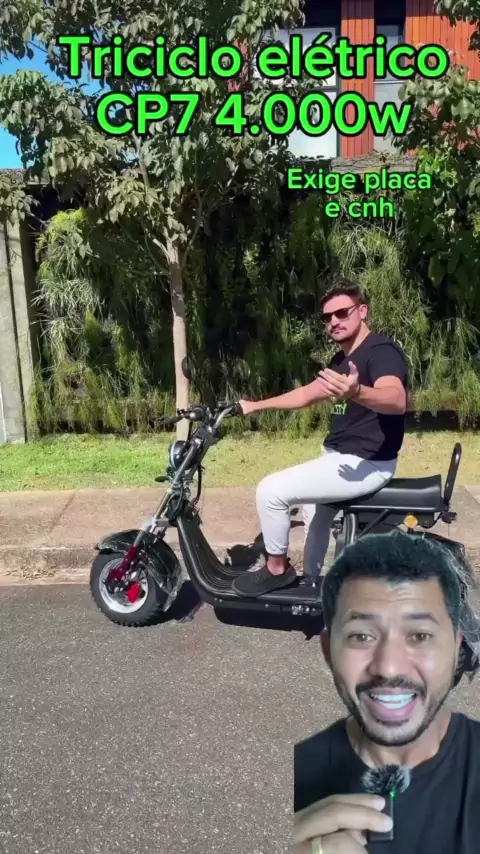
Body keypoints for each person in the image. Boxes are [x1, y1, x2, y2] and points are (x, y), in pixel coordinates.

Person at [294, 530, 480, 854]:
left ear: (456, 650)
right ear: (327, 651)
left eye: (420, 635)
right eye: (362, 636)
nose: (390, 668)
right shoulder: (295, 772)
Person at [234, 278, 409, 598]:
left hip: (366, 462)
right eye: (327, 317)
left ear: (362, 311)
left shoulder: (380, 351)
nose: (334, 322)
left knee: (271, 491)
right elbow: (306, 394)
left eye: (342, 313)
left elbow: (396, 399)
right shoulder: (340, 361)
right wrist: (254, 406)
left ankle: (276, 570)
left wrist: (358, 391)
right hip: (338, 457)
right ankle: (312, 586)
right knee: (313, 515)